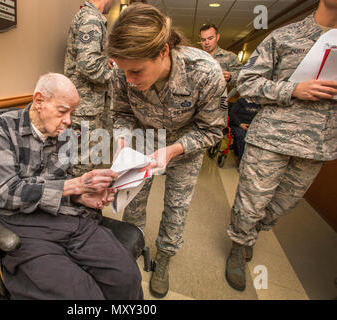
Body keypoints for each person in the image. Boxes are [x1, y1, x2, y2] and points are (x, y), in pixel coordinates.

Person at [0, 73, 143, 300]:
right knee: (82, 295)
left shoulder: (65, 133)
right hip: (24, 225)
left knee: (127, 277)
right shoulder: (4, 129)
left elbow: (63, 180)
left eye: (71, 113)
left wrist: (82, 196)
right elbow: (5, 192)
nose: (69, 120)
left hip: (68, 218)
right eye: (63, 111)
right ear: (39, 101)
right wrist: (75, 185)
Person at [106, 3, 228, 298]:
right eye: (125, 72)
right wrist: (122, 141)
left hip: (186, 145)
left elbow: (212, 130)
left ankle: (164, 258)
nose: (130, 80)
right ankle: (132, 248)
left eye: (136, 71)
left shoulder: (204, 72)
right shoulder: (123, 73)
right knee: (131, 200)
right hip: (143, 141)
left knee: (176, 206)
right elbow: (122, 113)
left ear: (162, 51)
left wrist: (173, 150)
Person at [225, 0, 337, 292]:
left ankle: (252, 233)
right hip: (272, 138)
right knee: (252, 200)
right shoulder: (285, 36)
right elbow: (246, 81)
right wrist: (292, 89)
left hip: (318, 145)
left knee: (281, 206)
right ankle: (239, 245)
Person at [64, 0, 117, 176]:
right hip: (85, 109)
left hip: (90, 107)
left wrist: (104, 60)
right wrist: (118, 76)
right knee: (82, 167)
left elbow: (91, 59)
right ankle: (76, 204)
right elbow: (88, 64)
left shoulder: (92, 17)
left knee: (90, 164)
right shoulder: (91, 19)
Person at [200, 24, 242, 89]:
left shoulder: (230, 57)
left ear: (217, 37)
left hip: (220, 98)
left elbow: (243, 80)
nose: (206, 42)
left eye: (210, 38)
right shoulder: (196, 58)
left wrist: (230, 77)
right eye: (203, 40)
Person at [228, 98, 260, 162]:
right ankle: (241, 161)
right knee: (243, 137)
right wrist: (240, 124)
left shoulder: (260, 103)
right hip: (237, 124)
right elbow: (232, 113)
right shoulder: (241, 101)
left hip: (251, 125)